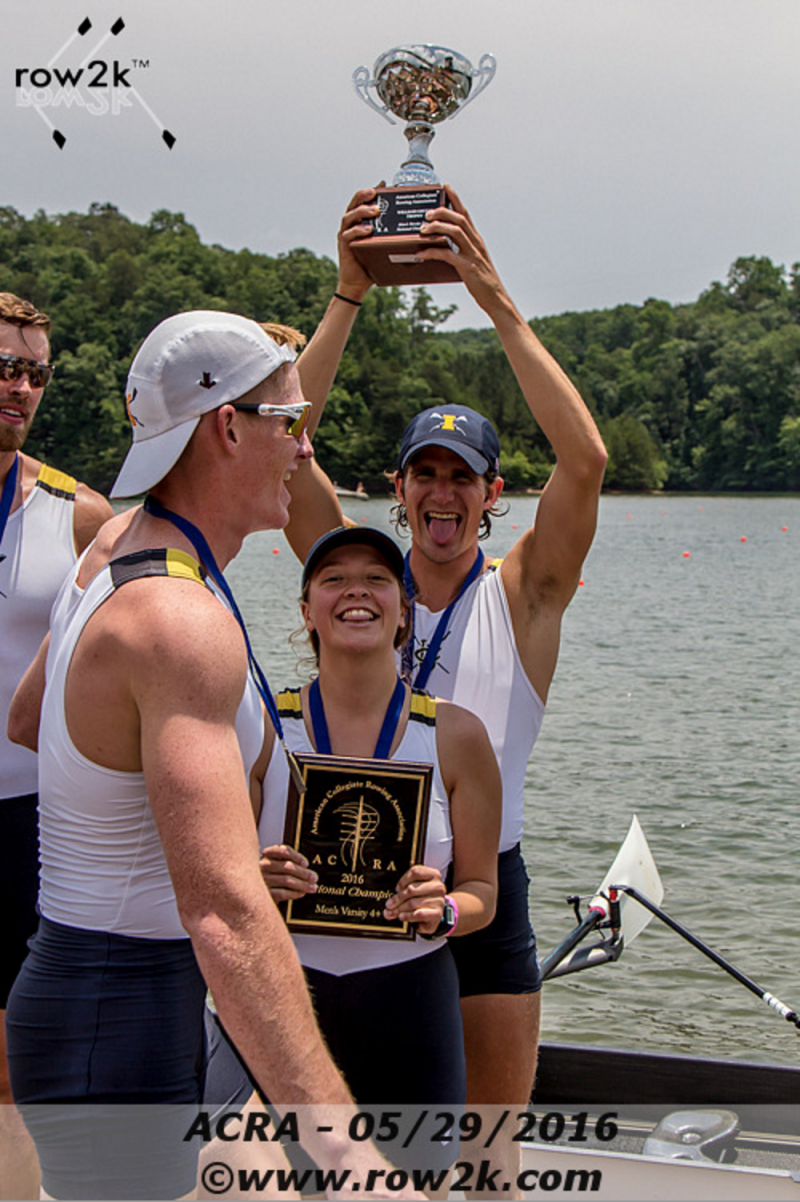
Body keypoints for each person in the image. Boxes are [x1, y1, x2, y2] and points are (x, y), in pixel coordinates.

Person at [5, 311, 420, 1201]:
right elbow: (226, 917)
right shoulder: (180, 620)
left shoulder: (117, 546)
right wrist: (352, 1160)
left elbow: (33, 719)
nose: (305, 451)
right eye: (291, 423)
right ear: (228, 426)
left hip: (111, 989)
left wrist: (193, 827)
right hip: (118, 1013)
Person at [291, 187, 608, 1191]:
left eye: (459, 475)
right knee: (342, 1156)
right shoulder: (354, 583)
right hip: (346, 898)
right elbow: (283, 445)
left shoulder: (522, 593)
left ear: (489, 492)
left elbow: (586, 460)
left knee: (484, 1155)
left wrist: (494, 300)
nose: (439, 492)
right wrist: (346, 296)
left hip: (479, 888)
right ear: (396, 489)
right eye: (421, 473)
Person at [206, 524, 500, 1176]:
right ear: (307, 611)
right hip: (281, 997)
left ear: (404, 612)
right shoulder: (257, 724)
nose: (356, 593)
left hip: (410, 1006)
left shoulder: (456, 735)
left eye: (377, 579)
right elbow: (217, 882)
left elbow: (483, 892)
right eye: (334, 579)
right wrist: (257, 880)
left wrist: (444, 908)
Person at [0, 292, 112, 1201]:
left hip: (23, 823)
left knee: (10, 1061)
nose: (21, 386)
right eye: (5, 365)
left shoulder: (81, 514)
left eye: (36, 372)